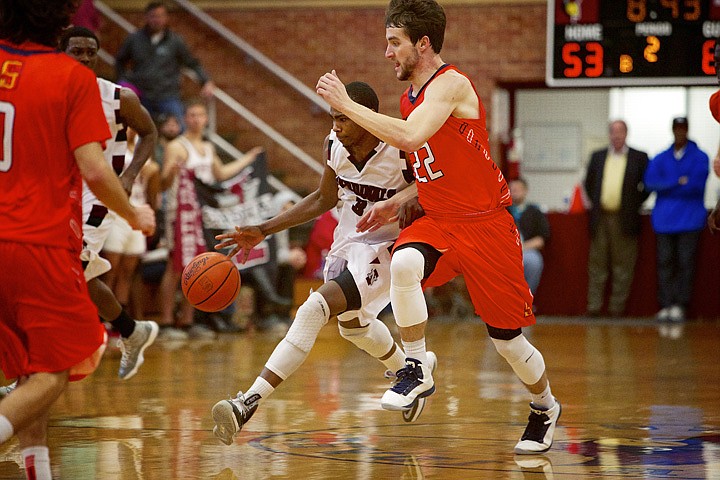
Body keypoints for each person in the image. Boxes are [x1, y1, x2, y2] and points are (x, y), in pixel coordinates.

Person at [316, 0, 560, 454]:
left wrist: (345, 103)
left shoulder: (451, 85)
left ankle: (544, 406)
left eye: (394, 43)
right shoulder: (410, 98)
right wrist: (398, 202)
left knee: (506, 340)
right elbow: (434, 170)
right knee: (405, 262)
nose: (387, 53)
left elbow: (409, 139)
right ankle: (416, 366)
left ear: (423, 44)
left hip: (487, 226)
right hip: (442, 221)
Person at [211, 81, 433, 446]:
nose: (337, 127)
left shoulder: (400, 148)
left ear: (367, 118)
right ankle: (410, 371)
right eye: (334, 118)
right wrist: (264, 230)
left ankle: (247, 404)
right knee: (353, 327)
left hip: (388, 246)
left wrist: (410, 201)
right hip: (348, 243)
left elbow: (435, 186)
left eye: (344, 118)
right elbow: (323, 198)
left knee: (313, 309)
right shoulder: (334, 145)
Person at [0, 2, 155, 479]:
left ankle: (37, 469)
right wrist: (134, 211)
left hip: (46, 221)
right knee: (61, 365)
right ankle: (132, 330)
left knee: (31, 366)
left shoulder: (111, 94)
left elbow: (143, 135)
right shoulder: (67, 79)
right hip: (38, 234)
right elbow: (92, 166)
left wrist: (127, 182)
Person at [61, 26, 160, 380]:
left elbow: (150, 132)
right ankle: (132, 330)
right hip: (61, 193)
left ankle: (48, 364)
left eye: (91, 51)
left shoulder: (118, 98)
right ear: (62, 53)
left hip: (99, 197)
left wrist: (131, 174)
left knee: (66, 264)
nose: (85, 57)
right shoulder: (52, 92)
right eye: (77, 50)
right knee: (76, 272)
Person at [158, 99, 263, 339]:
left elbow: (221, 174)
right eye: (191, 115)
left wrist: (248, 158)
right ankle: (165, 321)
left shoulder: (208, 148)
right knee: (175, 266)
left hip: (203, 215)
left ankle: (187, 320)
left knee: (197, 264)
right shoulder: (176, 146)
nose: (196, 119)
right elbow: (163, 183)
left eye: (200, 115)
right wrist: (170, 172)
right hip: (180, 213)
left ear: (206, 119)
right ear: (186, 119)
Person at [644, 117, 709, 322]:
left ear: (687, 130)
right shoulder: (661, 157)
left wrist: (669, 184)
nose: (680, 132)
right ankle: (666, 304)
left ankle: (680, 305)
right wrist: (678, 181)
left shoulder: (700, 156)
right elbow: (650, 183)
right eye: (676, 129)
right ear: (672, 130)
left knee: (685, 263)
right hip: (664, 221)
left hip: (690, 220)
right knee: (665, 263)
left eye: (683, 129)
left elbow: (696, 185)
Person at [583, 120, 649, 317]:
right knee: (597, 266)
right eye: (613, 132)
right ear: (609, 135)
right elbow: (589, 184)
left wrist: (632, 204)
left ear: (627, 134)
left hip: (625, 218)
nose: (617, 135)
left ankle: (616, 309)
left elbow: (646, 187)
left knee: (623, 267)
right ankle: (594, 308)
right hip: (600, 218)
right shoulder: (598, 156)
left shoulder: (639, 157)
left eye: (620, 132)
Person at [115, 1, 215, 123]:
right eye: (153, 16)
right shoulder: (134, 39)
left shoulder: (175, 41)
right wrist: (124, 81)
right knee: (136, 129)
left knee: (179, 127)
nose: (157, 20)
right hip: (141, 94)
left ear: (166, 18)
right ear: (146, 17)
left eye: (160, 16)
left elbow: (191, 62)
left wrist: (206, 81)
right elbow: (120, 61)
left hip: (168, 95)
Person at [102, 128, 162, 319]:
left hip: (138, 209)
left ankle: (119, 318)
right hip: (117, 212)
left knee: (128, 271)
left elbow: (154, 182)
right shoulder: (113, 144)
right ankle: (102, 318)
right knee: (110, 268)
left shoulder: (141, 147)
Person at [507, 177, 551, 295]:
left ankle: (525, 300)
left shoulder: (535, 212)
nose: (514, 192)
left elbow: (541, 240)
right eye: (511, 189)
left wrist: (521, 247)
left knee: (534, 261)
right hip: (505, 251)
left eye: (517, 189)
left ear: (525, 190)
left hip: (526, 250)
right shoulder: (502, 211)